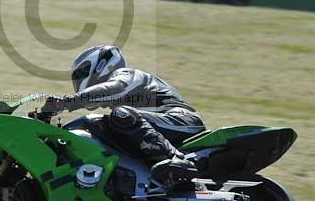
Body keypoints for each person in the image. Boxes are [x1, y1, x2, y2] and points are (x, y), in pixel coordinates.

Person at [40, 45, 206, 181]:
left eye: (81, 75)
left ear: (100, 65)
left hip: (182, 120)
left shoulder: (127, 74)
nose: (78, 82)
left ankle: (177, 160)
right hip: (164, 125)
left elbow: (114, 89)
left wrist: (67, 102)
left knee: (121, 115)